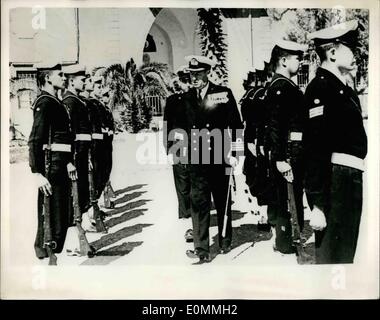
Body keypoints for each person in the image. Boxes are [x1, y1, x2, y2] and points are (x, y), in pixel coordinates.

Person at [305, 20, 367, 264]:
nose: (356, 54)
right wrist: (317, 204)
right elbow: (314, 148)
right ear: (331, 53)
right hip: (334, 181)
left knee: (346, 253)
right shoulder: (320, 89)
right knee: (332, 255)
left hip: (349, 178)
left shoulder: (344, 89)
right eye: (350, 48)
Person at [183, 55, 244, 263]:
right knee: (198, 201)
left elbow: (236, 125)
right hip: (196, 159)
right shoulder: (186, 98)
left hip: (220, 156)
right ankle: (201, 248)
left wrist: (235, 154)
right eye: (192, 75)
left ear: (207, 73)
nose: (194, 79)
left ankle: (225, 240)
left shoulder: (222, 94)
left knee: (221, 201)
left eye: (198, 74)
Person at [29, 61, 77, 259]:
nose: (64, 78)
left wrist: (67, 161)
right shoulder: (44, 102)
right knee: (50, 214)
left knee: (60, 214)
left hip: (60, 164)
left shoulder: (54, 101)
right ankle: (44, 253)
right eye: (60, 75)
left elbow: (62, 138)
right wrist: (37, 172)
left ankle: (53, 250)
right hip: (50, 167)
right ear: (48, 78)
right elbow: (35, 139)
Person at [265, 39, 308, 254]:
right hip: (288, 155)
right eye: (297, 58)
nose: (300, 62)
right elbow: (276, 126)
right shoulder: (281, 87)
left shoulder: (285, 86)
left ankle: (285, 241)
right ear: (283, 61)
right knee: (288, 200)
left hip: (292, 153)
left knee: (290, 198)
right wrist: (280, 159)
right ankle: (286, 243)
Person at [163, 66, 193, 242]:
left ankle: (195, 222)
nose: (187, 84)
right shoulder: (173, 101)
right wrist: (167, 149)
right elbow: (167, 126)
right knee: (182, 188)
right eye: (185, 80)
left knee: (196, 186)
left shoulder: (198, 100)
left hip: (197, 146)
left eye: (190, 80)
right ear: (179, 81)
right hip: (178, 147)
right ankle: (187, 225)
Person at [62, 65, 92, 219]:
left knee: (83, 190)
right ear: (72, 81)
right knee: (76, 193)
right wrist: (69, 160)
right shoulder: (70, 102)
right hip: (75, 154)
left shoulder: (77, 101)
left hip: (82, 154)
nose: (85, 82)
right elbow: (69, 133)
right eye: (82, 80)